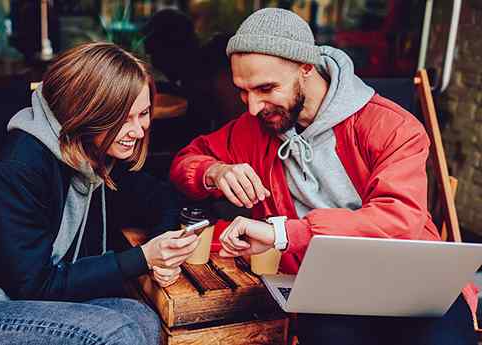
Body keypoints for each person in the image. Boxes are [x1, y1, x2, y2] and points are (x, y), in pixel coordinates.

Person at [169, 8, 478, 345]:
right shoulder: (254, 127)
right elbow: (184, 163)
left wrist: (283, 232)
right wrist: (215, 171)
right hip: (325, 285)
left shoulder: (393, 126)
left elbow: (398, 219)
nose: (253, 107)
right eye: (243, 91)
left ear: (306, 67)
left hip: (411, 276)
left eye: (266, 88)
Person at [0, 42, 200, 345]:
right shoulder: (19, 169)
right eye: (122, 118)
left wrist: (163, 253)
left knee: (141, 318)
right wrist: (143, 256)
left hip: (8, 302)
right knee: (114, 333)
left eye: (143, 114)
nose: (138, 130)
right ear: (87, 112)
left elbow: (162, 198)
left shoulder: (97, 158)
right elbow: (36, 285)